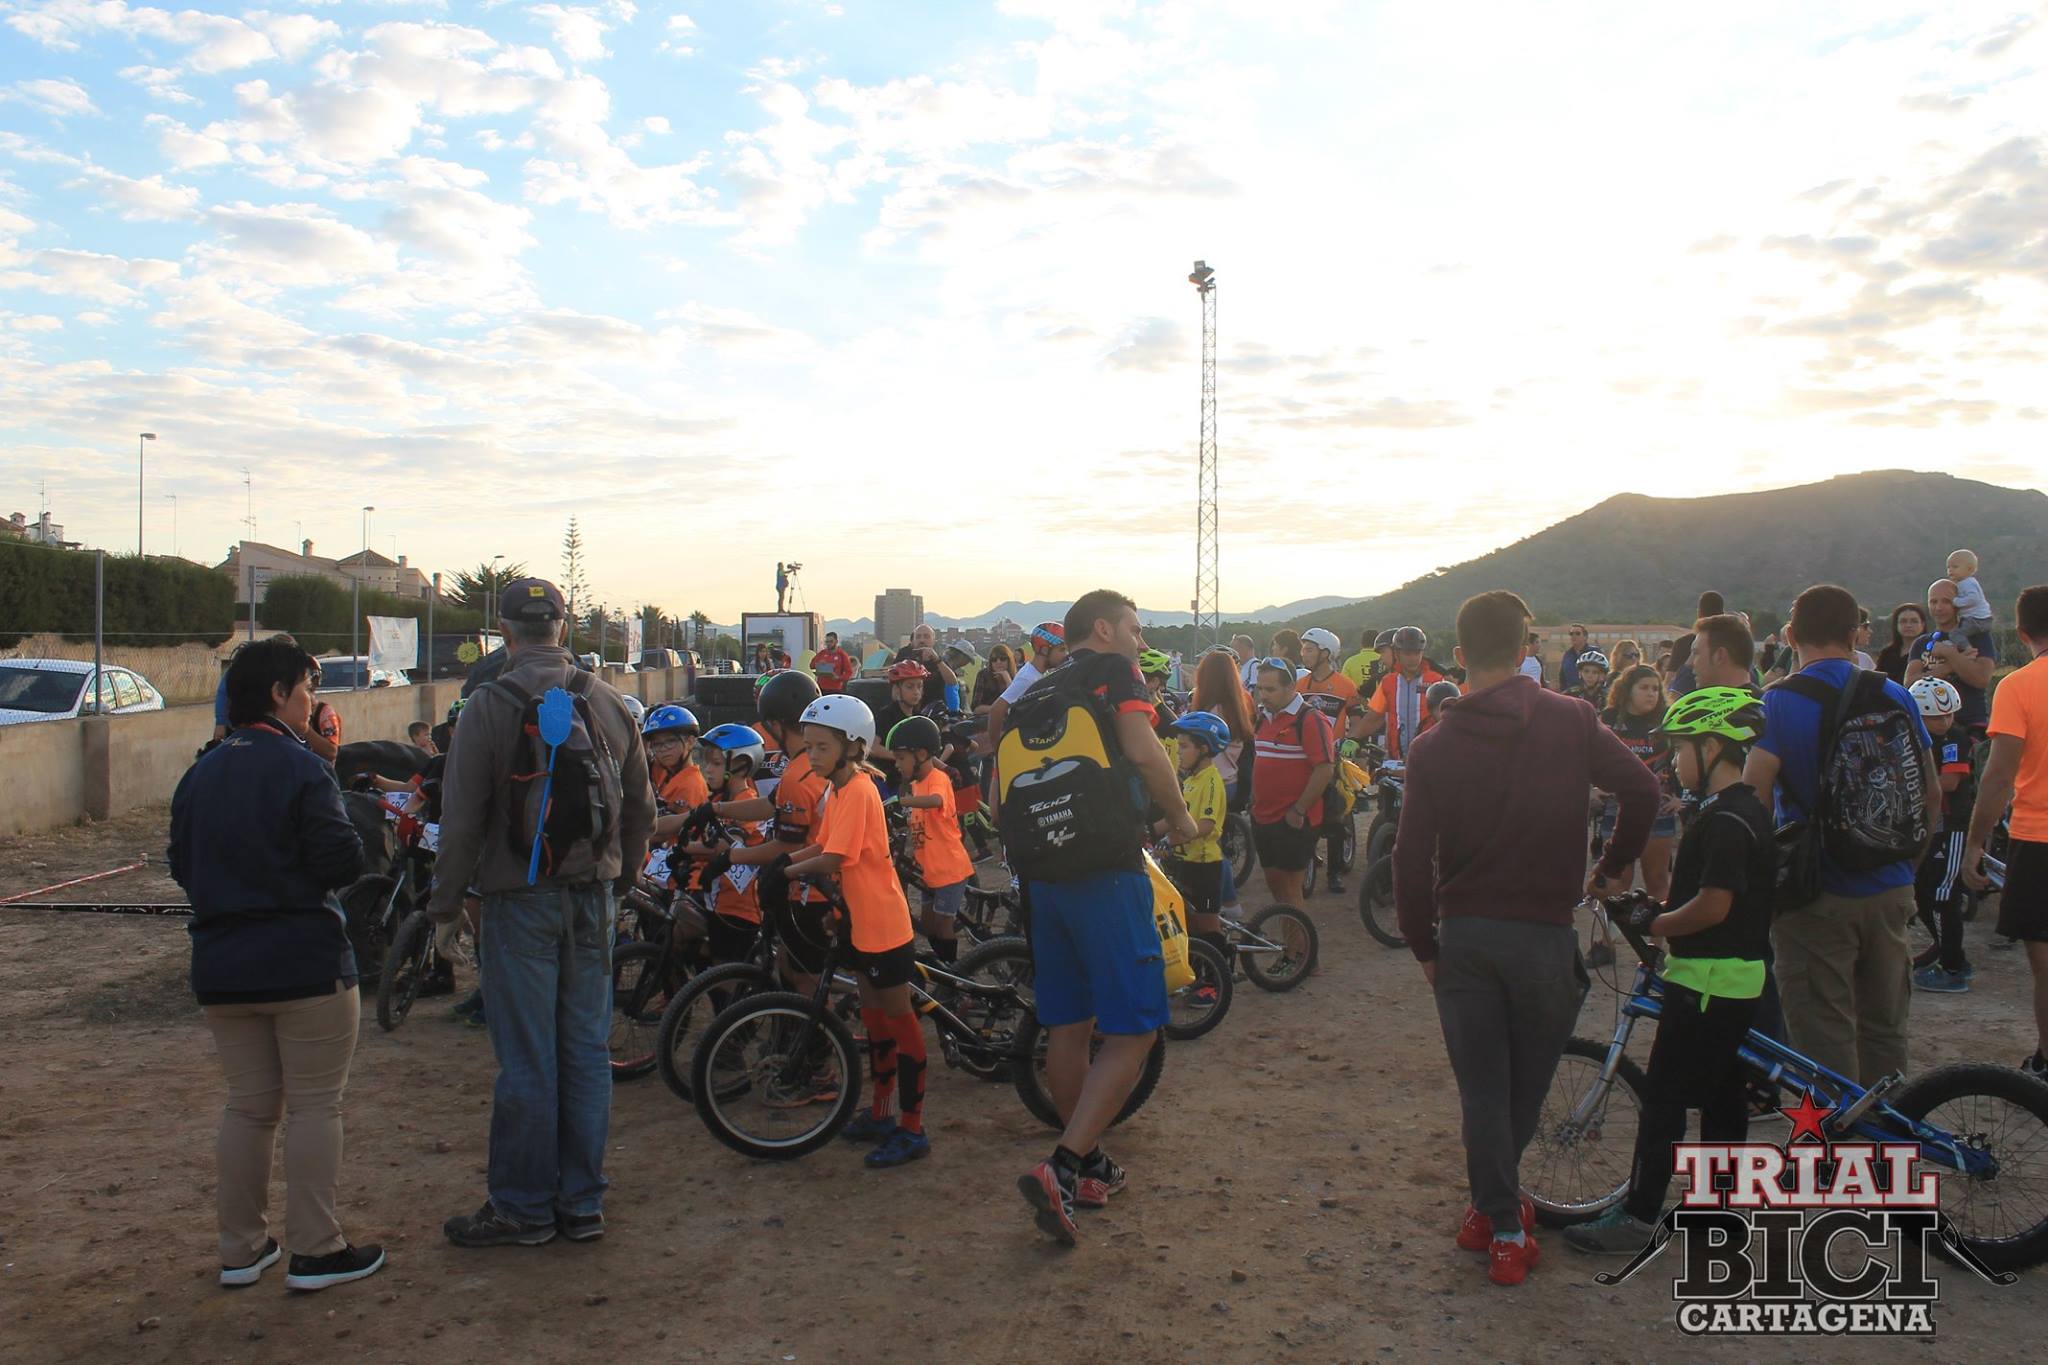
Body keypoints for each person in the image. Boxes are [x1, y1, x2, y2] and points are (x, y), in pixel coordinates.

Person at [1393, 590, 1659, 1287]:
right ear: (1525, 650)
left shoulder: (1433, 745)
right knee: (1520, 1090)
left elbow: (1407, 856)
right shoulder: (1571, 718)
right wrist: (1613, 866)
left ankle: (1494, 1213)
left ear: (1456, 655)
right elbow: (1643, 789)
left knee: (1483, 1088)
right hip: (1543, 935)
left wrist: (1423, 943)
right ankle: (1503, 1223)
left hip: (1468, 935)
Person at [428, 578, 655, 1248]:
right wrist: (623, 880)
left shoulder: (487, 705)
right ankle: (581, 1202)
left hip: (517, 899)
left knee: (528, 1058)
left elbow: (461, 818)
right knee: (585, 1051)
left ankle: (524, 1207)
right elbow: (639, 809)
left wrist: (446, 904)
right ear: (565, 624)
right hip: (594, 897)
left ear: (504, 630)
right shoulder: (611, 702)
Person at [167, 635, 383, 1292]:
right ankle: (316, 1248)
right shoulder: (299, 767)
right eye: (307, 689)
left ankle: (241, 1248)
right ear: (280, 694)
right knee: (316, 1104)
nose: (313, 701)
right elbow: (343, 861)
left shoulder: (199, 771)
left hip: (222, 965)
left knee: (249, 1106)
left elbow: (182, 864)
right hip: (304, 961)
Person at [1009, 590, 1198, 1246]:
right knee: (1137, 1027)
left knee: (1068, 1024)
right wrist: (1180, 816)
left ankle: (1088, 1164)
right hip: (1106, 866)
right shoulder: (1113, 671)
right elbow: (1144, 750)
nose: (1140, 641)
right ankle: (1062, 1166)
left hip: (1041, 875)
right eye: (1135, 628)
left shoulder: (1034, 688)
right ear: (1104, 627)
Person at [1564, 688, 1775, 1254]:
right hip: (1730, 981)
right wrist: (1656, 909)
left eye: (1682, 749)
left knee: (1664, 1101)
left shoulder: (1727, 819)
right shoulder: (1743, 809)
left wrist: (1655, 926)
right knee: (1722, 1101)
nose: (1676, 761)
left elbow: (1713, 906)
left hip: (1706, 984)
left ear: (1713, 747)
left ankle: (1637, 1216)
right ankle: (1719, 1212)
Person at [1743, 584, 1938, 1086]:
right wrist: (1906, 866)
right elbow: (1930, 791)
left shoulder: (1779, 702)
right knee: (1884, 1031)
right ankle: (1886, 1150)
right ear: (1855, 635)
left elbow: (1754, 796)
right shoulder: (1893, 693)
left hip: (1816, 894)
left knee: (1823, 1039)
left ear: (1790, 635)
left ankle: (1834, 1156)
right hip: (1891, 885)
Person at [785, 694, 932, 1169]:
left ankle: (912, 1127)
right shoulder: (839, 790)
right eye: (809, 747)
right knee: (874, 1021)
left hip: (883, 924)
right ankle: (883, 1111)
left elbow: (834, 858)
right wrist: (786, 865)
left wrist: (781, 873)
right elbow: (824, 845)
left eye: (822, 747)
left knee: (900, 1022)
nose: (813, 756)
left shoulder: (861, 791)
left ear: (852, 747)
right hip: (859, 920)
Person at [1963, 585, 2048, 1078]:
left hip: (2038, 840)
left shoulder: (2018, 685)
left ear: (2021, 633)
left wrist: (1976, 841)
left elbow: (1997, 775)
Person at [1250, 658, 1336, 908]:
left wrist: (1299, 810)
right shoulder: (1263, 717)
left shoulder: (1310, 719)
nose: (1263, 695)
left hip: (1292, 820)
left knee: (1290, 890)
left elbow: (1325, 768)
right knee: (1275, 886)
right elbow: (1260, 758)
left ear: (1291, 688)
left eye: (1270, 689)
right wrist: (1254, 798)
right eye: (1260, 688)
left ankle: (1298, 948)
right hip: (1263, 816)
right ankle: (1291, 943)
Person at [1907, 678, 1975, 993]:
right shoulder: (1914, 737)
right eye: (1934, 716)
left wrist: (1909, 787)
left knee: (1942, 896)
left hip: (1953, 826)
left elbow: (1949, 783)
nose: (1943, 721)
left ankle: (1954, 967)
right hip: (1932, 826)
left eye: (1947, 715)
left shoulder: (1954, 739)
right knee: (1923, 891)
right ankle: (1941, 949)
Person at [890, 715, 973, 967]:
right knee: (927, 924)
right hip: (930, 871)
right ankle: (942, 962)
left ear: (923, 754)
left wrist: (900, 801)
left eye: (901, 758)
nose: (896, 764)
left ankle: (954, 970)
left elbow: (936, 801)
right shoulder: (916, 784)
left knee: (942, 923)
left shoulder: (937, 778)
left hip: (949, 868)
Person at [1159, 710, 1231, 994]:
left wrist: (1170, 841)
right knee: (1186, 923)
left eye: (1185, 745)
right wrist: (1148, 831)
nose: (1178, 751)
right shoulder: (1188, 780)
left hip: (1205, 864)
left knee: (1208, 926)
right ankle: (1196, 973)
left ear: (1204, 748)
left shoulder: (1211, 781)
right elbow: (1174, 816)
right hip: (1183, 862)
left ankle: (1215, 982)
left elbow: (1204, 825)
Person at [1598, 665, 1678, 902]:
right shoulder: (1609, 718)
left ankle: (1655, 941)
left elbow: (1681, 761)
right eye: (1643, 687)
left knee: (1657, 879)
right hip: (1616, 806)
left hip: (1659, 808)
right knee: (1615, 880)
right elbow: (1590, 756)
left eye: (1655, 688)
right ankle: (1608, 939)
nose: (1651, 693)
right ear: (1627, 690)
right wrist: (1594, 788)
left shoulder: (1668, 720)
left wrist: (1680, 797)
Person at [1192, 645, 1256, 917]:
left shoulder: (1212, 710)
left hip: (1212, 783)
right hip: (1230, 780)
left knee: (1209, 846)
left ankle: (1229, 904)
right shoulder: (1240, 703)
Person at [1297, 627, 1359, 895]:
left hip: (1332, 760)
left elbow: (1356, 718)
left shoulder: (1345, 685)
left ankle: (1334, 873)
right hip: (1303, 761)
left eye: (1309, 649)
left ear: (1325, 653)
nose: (1304, 654)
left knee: (1334, 818)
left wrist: (1353, 740)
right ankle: (1307, 859)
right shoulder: (1300, 686)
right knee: (1305, 813)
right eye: (1303, 649)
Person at [1906, 578, 1998, 737]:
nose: (1938, 607)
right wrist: (1951, 665)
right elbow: (1910, 684)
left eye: (1946, 601)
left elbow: (1981, 679)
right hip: (1928, 727)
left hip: (1971, 725)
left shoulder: (1978, 638)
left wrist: (1948, 653)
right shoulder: (1922, 643)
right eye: (1933, 602)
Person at [1352, 626, 1445, 761]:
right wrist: (1352, 739)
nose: (1413, 658)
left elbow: (1446, 721)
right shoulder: (1388, 682)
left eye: (1417, 653)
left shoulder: (1437, 681)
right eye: (1407, 653)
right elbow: (1374, 718)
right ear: (1397, 653)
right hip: (1396, 760)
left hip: (1429, 760)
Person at [985, 621, 1067, 758]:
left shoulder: (1036, 673)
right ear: (1045, 650)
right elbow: (996, 710)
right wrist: (999, 749)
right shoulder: (1028, 678)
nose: (1066, 654)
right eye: (1062, 649)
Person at [643, 705, 709, 842]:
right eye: (657, 744)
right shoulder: (668, 774)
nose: (663, 749)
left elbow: (668, 834)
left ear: (690, 741)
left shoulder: (690, 784)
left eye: (671, 741)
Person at [895, 624, 961, 711]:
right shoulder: (904, 656)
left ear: (933, 641)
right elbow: (893, 681)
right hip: (909, 710)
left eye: (926, 636)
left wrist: (937, 660)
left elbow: (952, 683)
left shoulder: (940, 659)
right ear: (912, 641)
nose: (922, 640)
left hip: (935, 710)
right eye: (918, 637)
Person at [1874, 603, 1929, 685]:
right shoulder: (1887, 653)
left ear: (1923, 624)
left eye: (1914, 621)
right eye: (1903, 621)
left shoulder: (1929, 653)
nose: (1908, 625)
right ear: (1896, 625)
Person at [1947, 549, 1994, 633]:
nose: (1950, 570)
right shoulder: (1963, 583)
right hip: (1978, 619)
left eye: (1955, 567)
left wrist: (1956, 601)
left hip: (1977, 619)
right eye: (1948, 567)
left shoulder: (1967, 583)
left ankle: (1965, 646)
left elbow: (1973, 598)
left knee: (1955, 634)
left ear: (1969, 569)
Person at [972, 643, 1015, 713]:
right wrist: (998, 709)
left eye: (1002, 659)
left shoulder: (1016, 677)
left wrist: (1008, 681)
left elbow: (1015, 704)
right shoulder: (983, 675)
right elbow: (975, 708)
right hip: (984, 719)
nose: (998, 662)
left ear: (1009, 661)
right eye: (994, 659)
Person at [1558, 625, 1590, 692]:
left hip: (1589, 695)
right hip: (1570, 696)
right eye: (1571, 634)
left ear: (1585, 637)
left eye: (1577, 633)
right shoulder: (1567, 655)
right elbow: (1562, 678)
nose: (1573, 636)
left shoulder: (1594, 653)